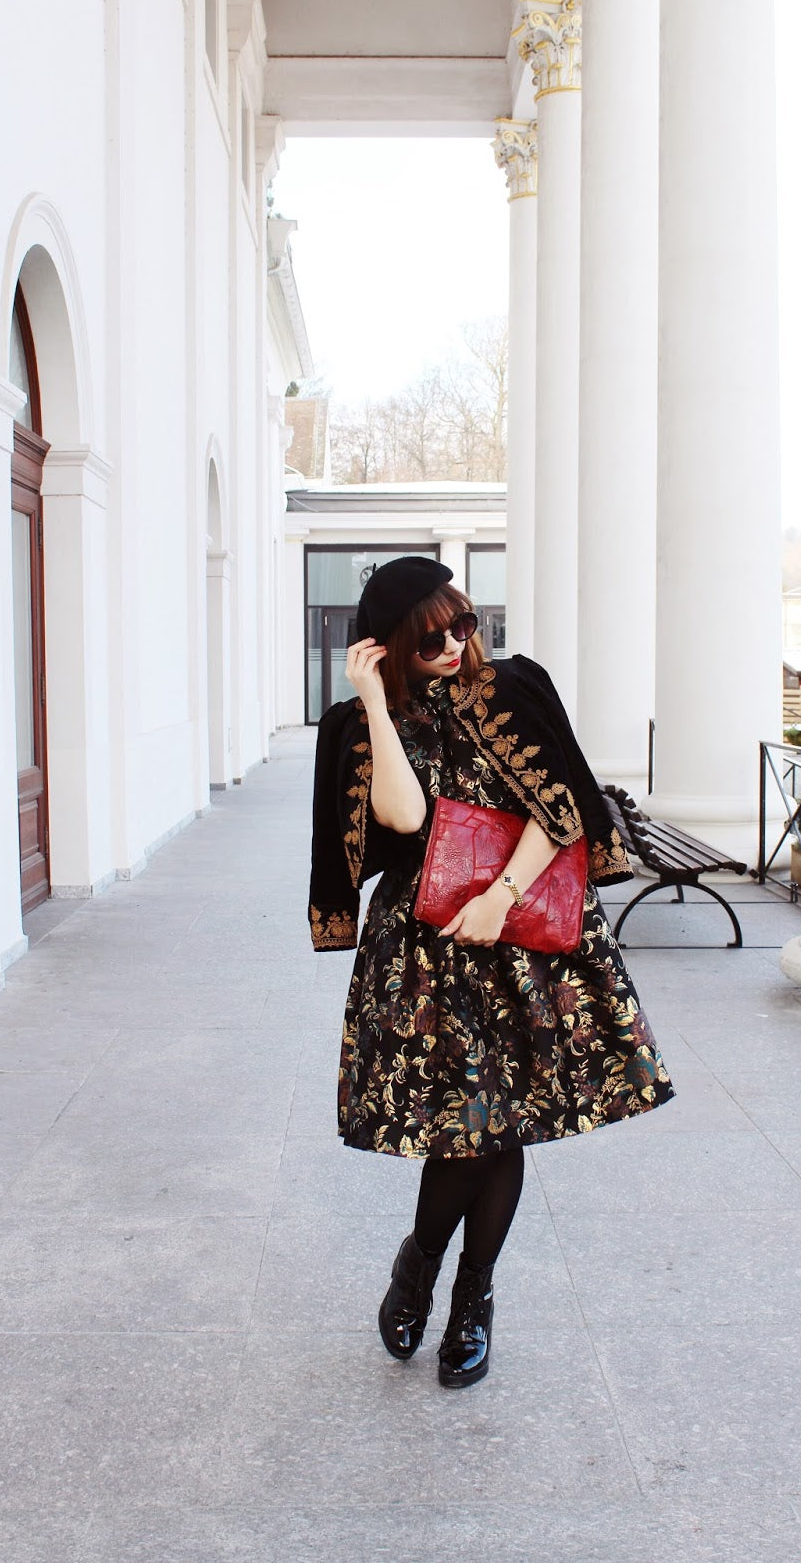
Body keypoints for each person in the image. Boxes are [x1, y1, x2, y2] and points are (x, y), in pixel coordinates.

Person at [309, 556, 674, 1388]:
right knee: (466, 1123)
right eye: (431, 635)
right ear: (391, 645)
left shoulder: (515, 686)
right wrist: (373, 700)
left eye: (463, 624)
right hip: (424, 951)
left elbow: (562, 809)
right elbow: (403, 817)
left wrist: (500, 897)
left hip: (522, 934)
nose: (453, 643)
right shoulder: (361, 720)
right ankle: (422, 1266)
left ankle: (468, 1296)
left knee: (500, 1123)